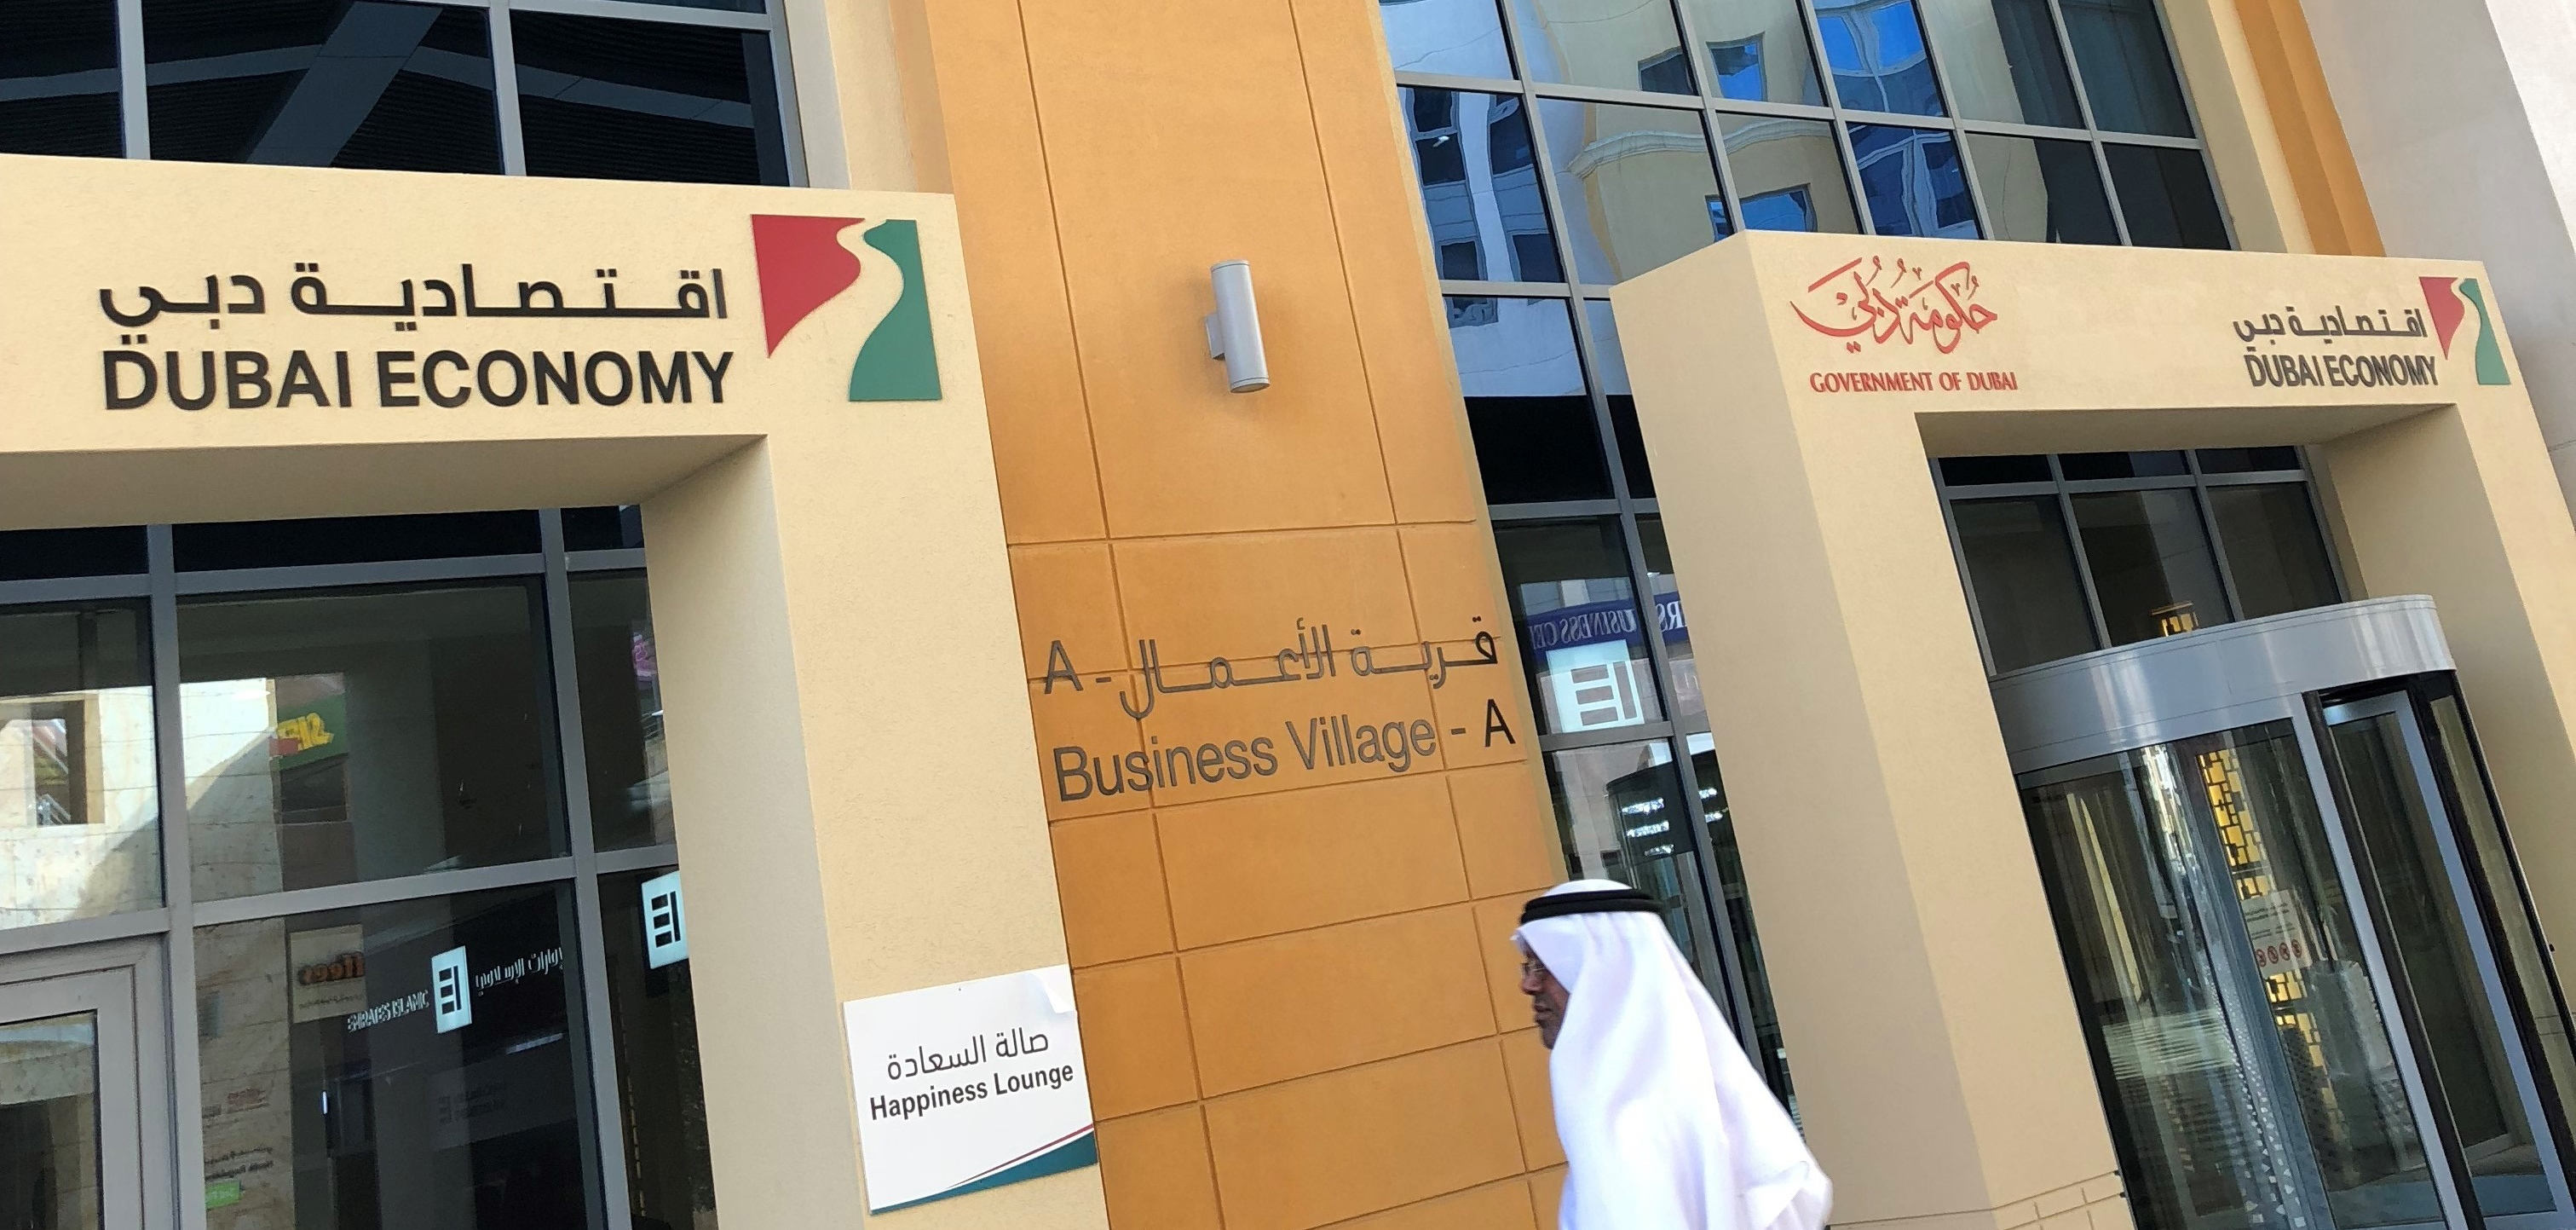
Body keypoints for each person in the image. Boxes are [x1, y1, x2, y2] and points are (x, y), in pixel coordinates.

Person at [1515, 879, 1831, 1230]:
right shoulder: (1701, 1091)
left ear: (1607, 973)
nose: (1528, 985)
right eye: (1528, 967)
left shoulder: (1634, 1123)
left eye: (1543, 967)